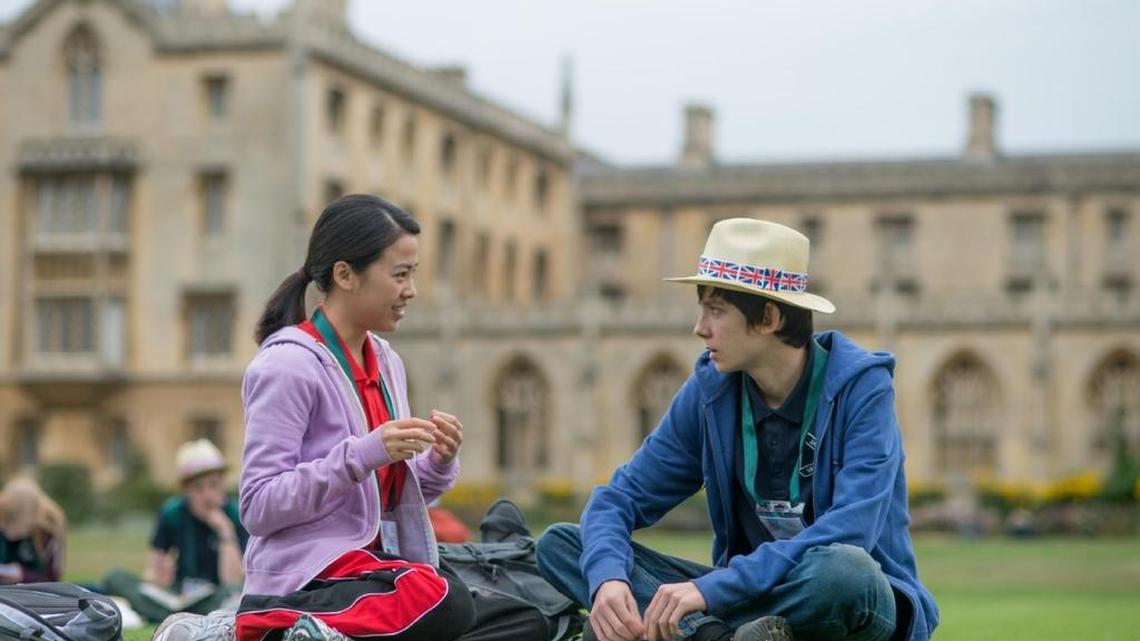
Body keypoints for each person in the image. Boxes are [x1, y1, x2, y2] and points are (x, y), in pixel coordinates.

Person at [536, 219, 939, 641]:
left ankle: (704, 633)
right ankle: (722, 636)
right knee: (564, 545)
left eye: (716, 310)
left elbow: (851, 529)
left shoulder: (862, 389)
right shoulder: (710, 392)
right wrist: (608, 581)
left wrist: (711, 590)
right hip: (739, 606)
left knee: (843, 570)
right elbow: (617, 499)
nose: (699, 327)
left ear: (767, 316)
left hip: (854, 604)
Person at [228, 194, 546, 641]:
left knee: (523, 619)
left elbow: (389, 495)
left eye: (412, 274)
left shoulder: (386, 361)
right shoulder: (287, 365)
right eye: (400, 275)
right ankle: (273, 625)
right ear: (345, 275)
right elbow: (258, 507)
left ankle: (320, 636)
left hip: (381, 575)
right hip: (310, 580)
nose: (411, 291)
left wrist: (436, 462)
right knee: (444, 601)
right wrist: (362, 455)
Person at [104, 438, 247, 623]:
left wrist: (225, 531)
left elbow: (233, 581)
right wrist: (159, 577)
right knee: (114, 577)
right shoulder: (172, 513)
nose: (207, 495)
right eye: (198, 487)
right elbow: (152, 570)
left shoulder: (236, 514)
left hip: (216, 595)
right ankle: (180, 616)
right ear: (186, 490)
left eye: (214, 484)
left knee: (233, 594)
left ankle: (171, 617)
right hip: (178, 593)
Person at [0, 476, 66, 583]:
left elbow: (51, 579)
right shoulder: (3, 515)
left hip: (32, 593)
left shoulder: (47, 530)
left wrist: (24, 576)